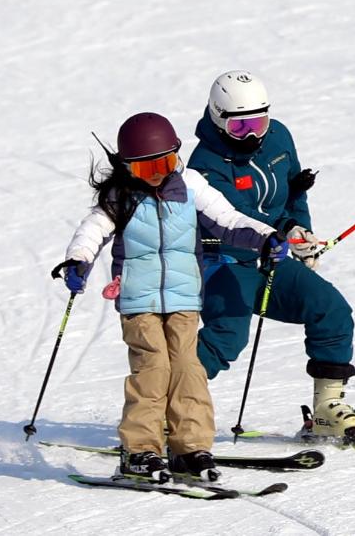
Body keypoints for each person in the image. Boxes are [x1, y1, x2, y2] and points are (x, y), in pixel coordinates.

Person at [60, 112, 288, 483]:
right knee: (153, 371)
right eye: (145, 168)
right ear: (127, 167)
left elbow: (228, 220)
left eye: (164, 164)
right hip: (139, 302)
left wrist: (266, 236)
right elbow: (92, 232)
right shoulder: (121, 198)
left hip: (183, 300)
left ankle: (190, 448)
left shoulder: (191, 185)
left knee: (188, 369)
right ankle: (140, 450)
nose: (156, 174)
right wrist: (77, 261)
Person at [187, 71, 355, 443]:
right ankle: (170, 404)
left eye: (259, 122)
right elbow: (235, 219)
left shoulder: (279, 138)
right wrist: (283, 235)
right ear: (218, 118)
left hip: (275, 257)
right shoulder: (204, 165)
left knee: (330, 308)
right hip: (225, 260)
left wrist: (300, 230)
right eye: (241, 127)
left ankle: (326, 409)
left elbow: (293, 191)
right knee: (227, 338)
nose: (253, 135)